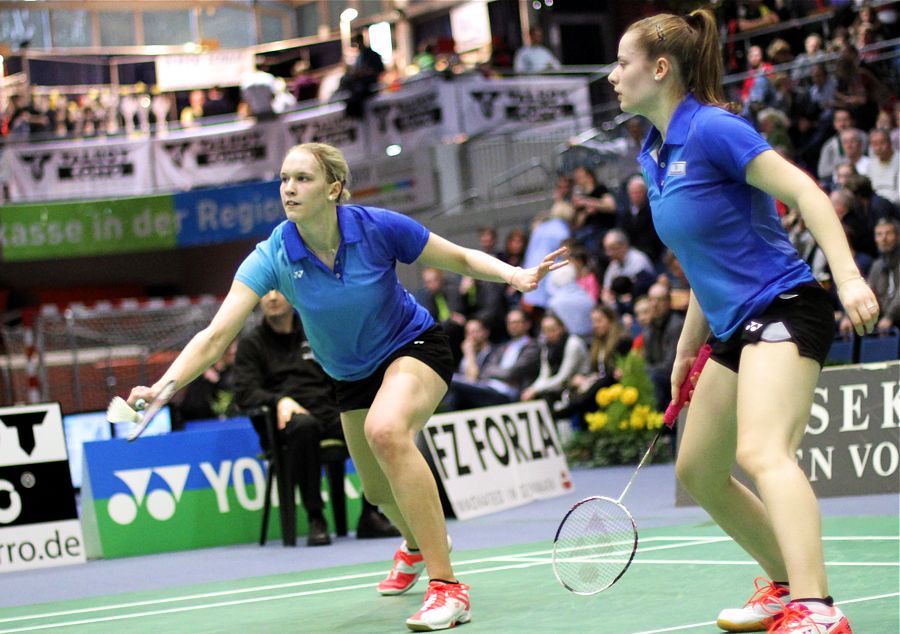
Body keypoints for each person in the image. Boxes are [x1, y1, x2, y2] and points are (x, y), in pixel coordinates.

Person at [124, 142, 566, 632]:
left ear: (334, 187)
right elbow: (215, 336)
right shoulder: (274, 253)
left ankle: (448, 587)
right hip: (350, 376)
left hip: (411, 345)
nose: (289, 188)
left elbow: (457, 255)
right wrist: (164, 384)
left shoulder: (376, 228)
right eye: (284, 179)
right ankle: (417, 546)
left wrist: (514, 274)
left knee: (387, 432)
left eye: (303, 178)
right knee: (377, 492)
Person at [608, 9, 878, 633]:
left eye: (623, 63)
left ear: (660, 67)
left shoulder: (714, 130)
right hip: (733, 325)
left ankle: (817, 608)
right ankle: (784, 582)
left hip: (785, 305)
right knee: (698, 469)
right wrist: (684, 352)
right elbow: (704, 261)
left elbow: (806, 193)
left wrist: (849, 276)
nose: (613, 76)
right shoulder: (652, 154)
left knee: (762, 450)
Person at [232, 290, 400, 546]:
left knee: (370, 425)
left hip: (327, 410)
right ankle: (316, 517)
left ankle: (370, 515)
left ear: (291, 294)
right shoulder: (251, 343)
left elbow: (339, 372)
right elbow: (244, 392)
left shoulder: (313, 330)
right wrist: (278, 401)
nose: (272, 297)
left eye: (278, 290)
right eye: (266, 292)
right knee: (304, 427)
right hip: (286, 424)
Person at [441, 308, 541, 411]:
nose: (512, 326)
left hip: (507, 393)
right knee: (451, 387)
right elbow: (486, 371)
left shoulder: (533, 346)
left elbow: (511, 373)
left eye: (516, 322)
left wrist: (495, 373)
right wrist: (500, 373)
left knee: (452, 383)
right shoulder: (503, 347)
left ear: (527, 324)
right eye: (510, 322)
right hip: (490, 388)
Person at [520, 313, 589, 408]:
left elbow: (563, 377)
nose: (549, 334)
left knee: (545, 397)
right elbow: (544, 375)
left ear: (562, 328)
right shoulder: (546, 346)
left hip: (577, 384)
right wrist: (532, 389)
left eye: (552, 329)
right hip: (558, 385)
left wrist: (536, 390)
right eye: (545, 330)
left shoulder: (573, 344)